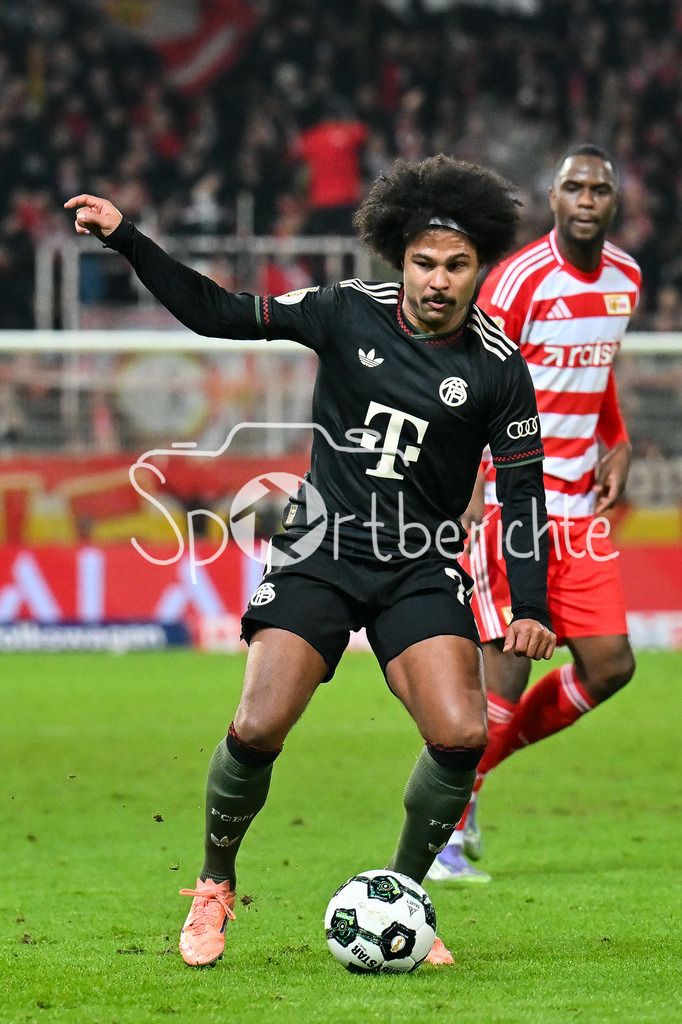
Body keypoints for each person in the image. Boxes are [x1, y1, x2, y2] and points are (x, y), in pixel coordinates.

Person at [65, 155, 556, 969]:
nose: (438, 280)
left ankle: (403, 897)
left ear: (481, 270)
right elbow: (219, 313)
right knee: (258, 723)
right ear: (400, 258)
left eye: (457, 266)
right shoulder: (342, 311)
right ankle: (215, 885)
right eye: (425, 263)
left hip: (419, 559)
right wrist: (129, 241)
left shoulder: (500, 366)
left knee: (462, 732)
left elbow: (526, 494)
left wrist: (531, 606)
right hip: (321, 546)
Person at [427, 144, 641, 884]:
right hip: (514, 502)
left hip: (581, 509)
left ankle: (480, 776)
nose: (587, 199)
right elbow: (471, 374)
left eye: (600, 189)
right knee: (505, 677)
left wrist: (615, 440)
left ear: (614, 201)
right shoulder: (518, 279)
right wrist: (468, 486)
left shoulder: (626, 279)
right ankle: (446, 835)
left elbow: (600, 367)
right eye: (574, 187)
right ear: (552, 197)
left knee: (611, 666)